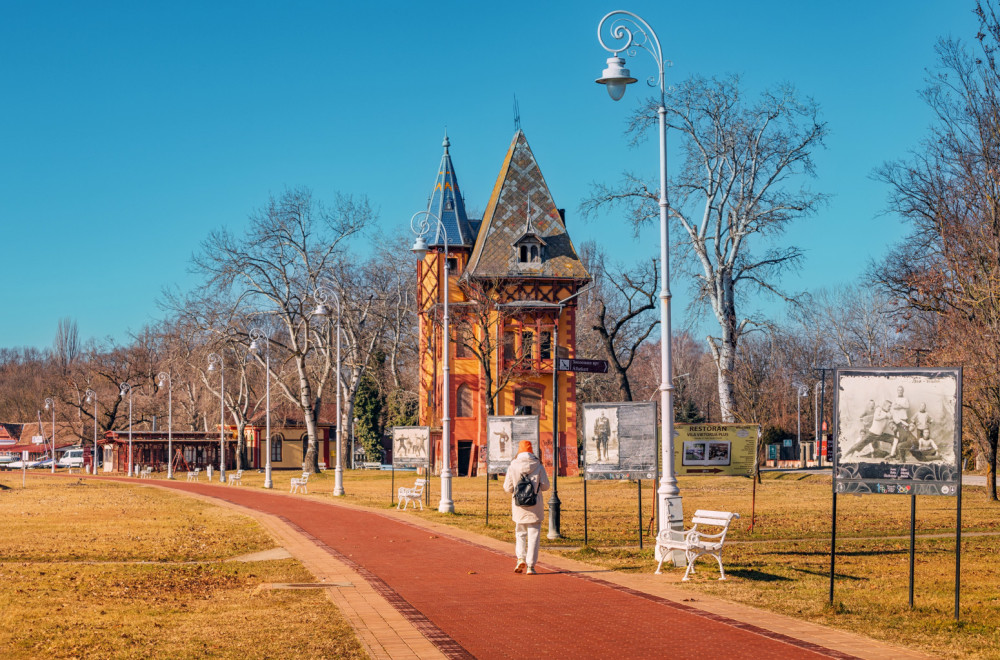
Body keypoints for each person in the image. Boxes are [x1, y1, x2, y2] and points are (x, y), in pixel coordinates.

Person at [503, 440, 550, 575]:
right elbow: (546, 486)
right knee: (534, 535)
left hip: (519, 506)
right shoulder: (538, 466)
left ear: (519, 451)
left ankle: (520, 558)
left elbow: (507, 487)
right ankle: (531, 566)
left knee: (520, 533)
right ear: (531, 451)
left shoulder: (513, 466)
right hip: (535, 505)